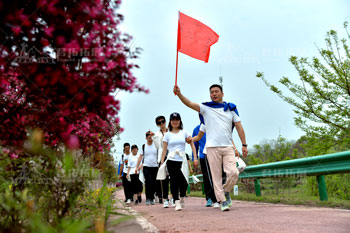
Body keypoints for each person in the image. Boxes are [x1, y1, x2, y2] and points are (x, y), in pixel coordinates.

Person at [174, 84, 248, 212]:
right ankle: (222, 201)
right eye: (212, 92)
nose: (214, 94)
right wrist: (179, 94)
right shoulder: (206, 108)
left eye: (216, 92)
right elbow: (190, 104)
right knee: (216, 177)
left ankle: (226, 191)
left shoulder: (231, 108)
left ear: (222, 93)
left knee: (233, 172)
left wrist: (244, 144)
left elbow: (239, 126)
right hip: (212, 148)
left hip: (228, 147)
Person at [192, 123, 240, 208]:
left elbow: (227, 137)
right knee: (208, 177)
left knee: (222, 175)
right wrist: (194, 158)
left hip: (218, 154)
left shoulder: (216, 124)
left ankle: (223, 194)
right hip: (204, 156)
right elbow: (195, 145)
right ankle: (210, 198)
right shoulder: (197, 129)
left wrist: (235, 149)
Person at [160, 112, 198, 211]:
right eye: (173, 120)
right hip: (171, 160)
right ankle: (176, 201)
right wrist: (161, 162)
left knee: (184, 182)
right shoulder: (167, 135)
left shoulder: (184, 133)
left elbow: (192, 145)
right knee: (173, 181)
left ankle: (181, 197)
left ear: (180, 121)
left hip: (182, 160)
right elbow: (164, 150)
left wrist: (195, 157)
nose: (175, 122)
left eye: (177, 120)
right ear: (170, 121)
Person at [150, 116, 171, 208]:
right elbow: (158, 147)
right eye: (159, 123)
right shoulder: (157, 134)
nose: (161, 124)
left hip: (173, 157)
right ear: (157, 125)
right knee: (164, 179)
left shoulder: (171, 131)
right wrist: (154, 137)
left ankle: (175, 197)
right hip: (162, 158)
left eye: (163, 122)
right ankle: (166, 199)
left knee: (174, 178)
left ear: (165, 122)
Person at [137, 131, 159, 205]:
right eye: (148, 136)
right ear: (146, 138)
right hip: (146, 166)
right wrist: (137, 166)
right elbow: (140, 157)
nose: (150, 138)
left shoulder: (156, 145)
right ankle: (148, 198)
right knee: (147, 182)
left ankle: (152, 198)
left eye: (151, 136)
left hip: (155, 166)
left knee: (154, 183)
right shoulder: (144, 146)